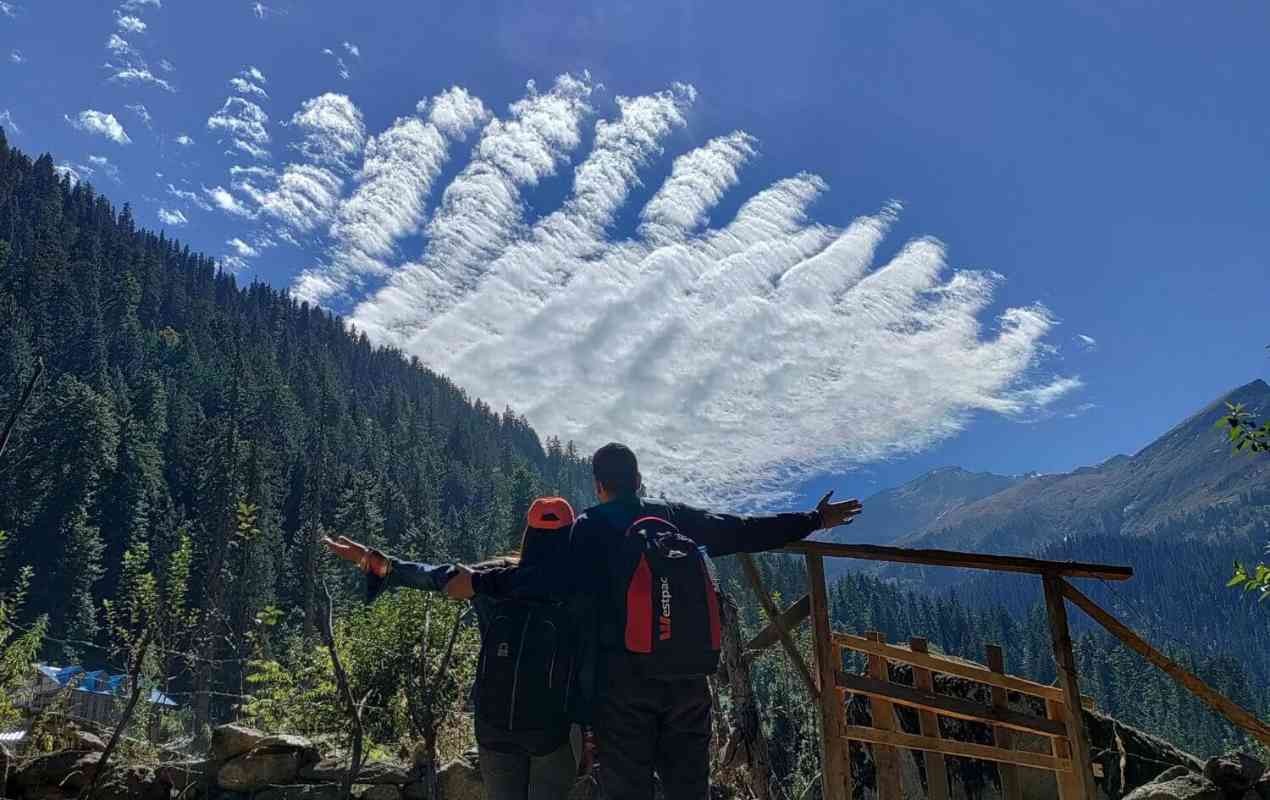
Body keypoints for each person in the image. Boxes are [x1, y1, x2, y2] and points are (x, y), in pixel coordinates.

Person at [444, 443, 863, 800]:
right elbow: (740, 531)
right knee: (688, 788)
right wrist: (813, 520)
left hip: (621, 688)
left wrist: (478, 582)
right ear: (639, 479)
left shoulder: (588, 529)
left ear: (598, 484)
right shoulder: (671, 517)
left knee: (627, 789)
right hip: (687, 681)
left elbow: (543, 579)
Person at [324, 497, 586, 800]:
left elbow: (433, 576)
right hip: (553, 726)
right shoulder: (579, 587)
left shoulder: (488, 578)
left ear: (528, 535)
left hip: (494, 722)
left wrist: (378, 564)